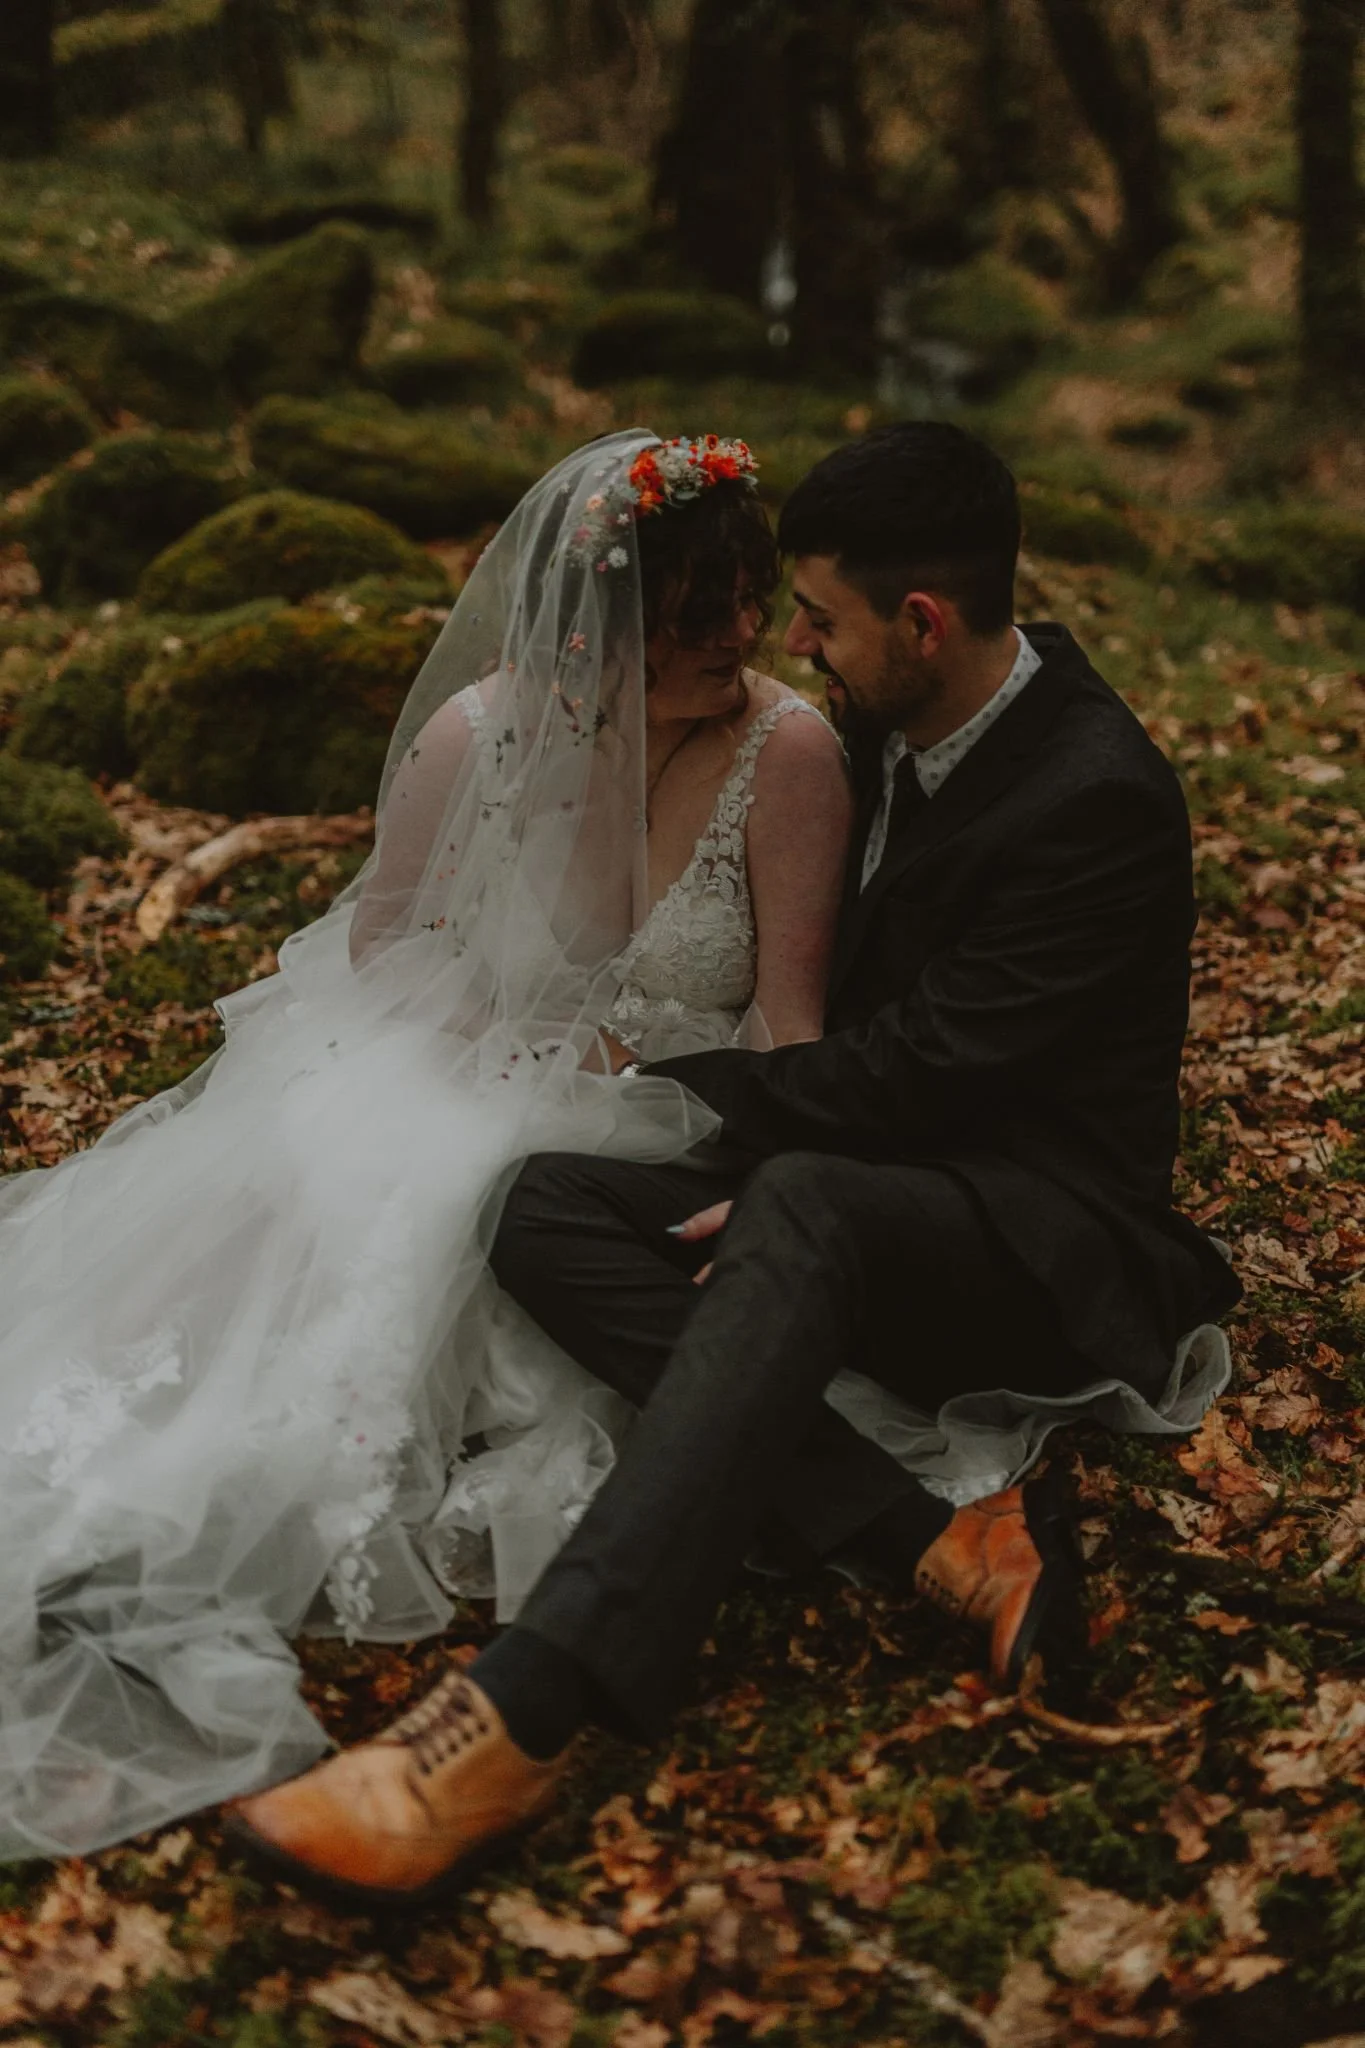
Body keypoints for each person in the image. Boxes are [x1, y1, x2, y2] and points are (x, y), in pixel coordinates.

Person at [230, 421, 1242, 1909]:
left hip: (1040, 1236)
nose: (796, 651)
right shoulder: (908, 715)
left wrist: (670, 1090)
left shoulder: (1095, 796)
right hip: (883, 1168)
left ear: (921, 623)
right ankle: (941, 1537)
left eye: (819, 622)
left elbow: (920, 1074)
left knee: (803, 1201)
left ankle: (524, 1712)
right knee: (538, 1202)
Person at [0, 429, 852, 1862]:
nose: (745, 637)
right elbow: (381, 947)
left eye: (752, 602)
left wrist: (710, 1133)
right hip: (459, 1066)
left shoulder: (793, 754)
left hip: (673, 1119)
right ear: (601, 628)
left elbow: (792, 1032)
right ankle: (165, 1496)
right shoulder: (481, 737)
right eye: (700, 617)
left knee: (476, 1183)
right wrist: (488, 1042)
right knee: (361, 1163)